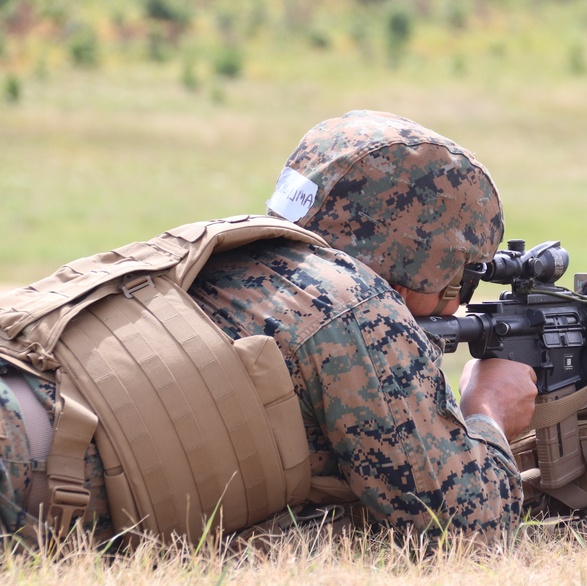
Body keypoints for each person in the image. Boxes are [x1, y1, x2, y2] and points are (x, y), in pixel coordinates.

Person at [0, 110, 542, 547]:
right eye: (456, 282)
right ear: (418, 257)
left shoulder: (222, 253)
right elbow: (465, 528)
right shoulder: (352, 306)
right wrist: (488, 410)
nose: (452, 310)